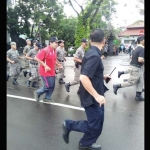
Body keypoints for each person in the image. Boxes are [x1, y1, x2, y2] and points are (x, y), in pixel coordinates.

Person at [62, 29, 111, 150]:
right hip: (91, 96)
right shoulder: (94, 55)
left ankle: (86, 143)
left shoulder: (91, 53)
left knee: (98, 122)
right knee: (94, 125)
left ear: (90, 41)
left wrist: (102, 77)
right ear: (104, 41)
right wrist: (97, 96)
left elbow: (87, 72)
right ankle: (68, 125)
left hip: (94, 94)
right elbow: (84, 77)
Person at [113, 35, 144, 101]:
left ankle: (138, 95)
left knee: (141, 81)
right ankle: (117, 86)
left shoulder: (136, 48)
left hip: (136, 66)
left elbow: (132, 57)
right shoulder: (142, 49)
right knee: (131, 82)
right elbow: (140, 59)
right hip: (136, 67)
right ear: (141, 40)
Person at [34, 36, 62, 103]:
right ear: (51, 43)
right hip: (45, 72)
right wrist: (45, 66)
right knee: (48, 86)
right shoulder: (45, 50)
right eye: (55, 43)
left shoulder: (54, 50)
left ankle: (47, 98)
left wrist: (58, 64)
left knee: (52, 86)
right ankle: (38, 93)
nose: (57, 44)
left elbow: (53, 59)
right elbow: (36, 58)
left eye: (57, 43)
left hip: (52, 71)